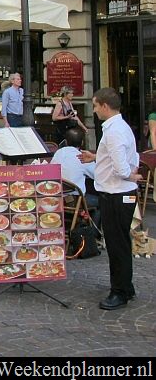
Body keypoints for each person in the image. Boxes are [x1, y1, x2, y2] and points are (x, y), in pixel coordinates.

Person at [79, 87, 141, 310]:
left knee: (117, 246)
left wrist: (130, 175)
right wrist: (97, 156)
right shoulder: (120, 127)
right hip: (118, 192)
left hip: (116, 194)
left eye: (95, 105)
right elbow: (122, 155)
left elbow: (122, 166)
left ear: (105, 106)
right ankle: (126, 286)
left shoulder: (114, 131)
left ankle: (120, 292)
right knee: (120, 243)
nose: (94, 110)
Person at [51, 127, 100, 226]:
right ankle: (93, 234)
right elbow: (97, 175)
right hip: (75, 201)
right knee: (101, 202)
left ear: (66, 141)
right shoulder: (81, 156)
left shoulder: (58, 153)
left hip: (56, 198)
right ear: (82, 142)